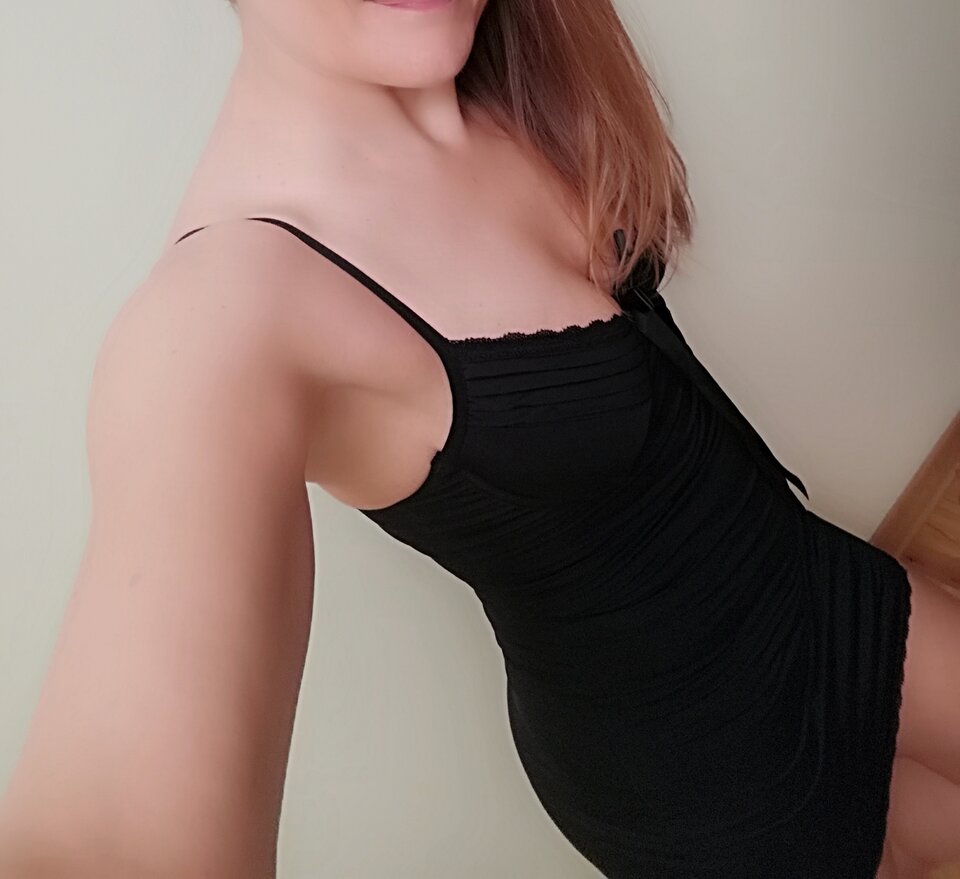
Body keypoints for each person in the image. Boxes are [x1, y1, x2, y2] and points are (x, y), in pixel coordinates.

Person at [1, 1, 958, 876]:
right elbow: (105, 841)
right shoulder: (226, 317)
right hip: (702, 776)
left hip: (809, 583)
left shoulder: (517, 68)